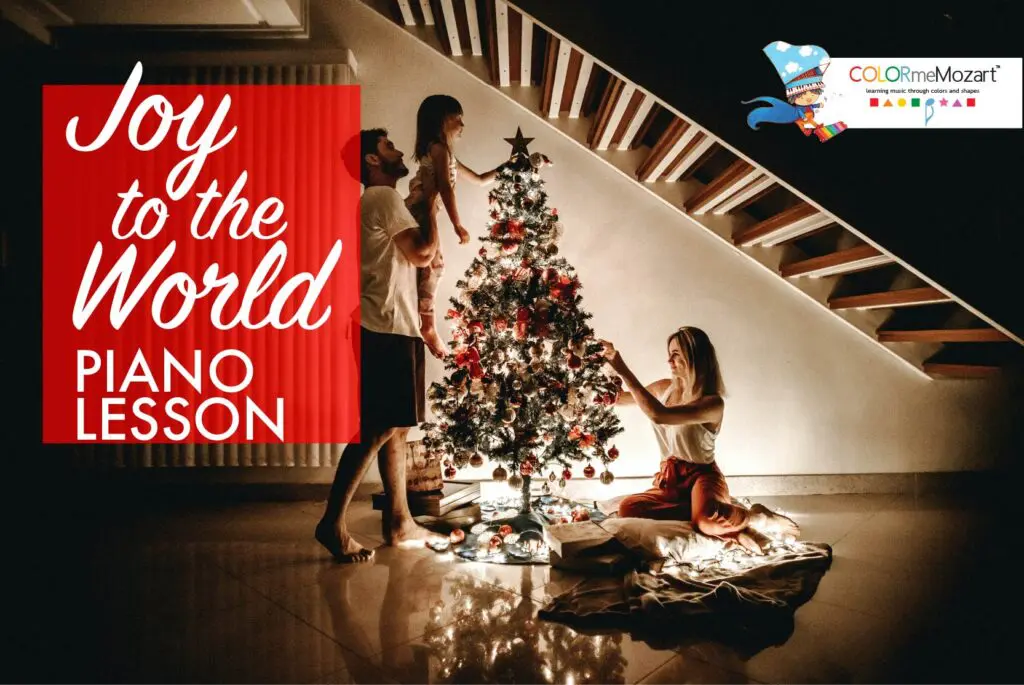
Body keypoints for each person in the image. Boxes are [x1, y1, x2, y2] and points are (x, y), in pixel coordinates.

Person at [316, 128, 446, 563]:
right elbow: (424, 253)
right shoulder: (381, 198)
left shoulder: (380, 203)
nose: (395, 151)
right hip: (385, 324)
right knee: (377, 425)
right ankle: (332, 523)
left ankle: (399, 520)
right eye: (387, 146)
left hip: (393, 323)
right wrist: (431, 200)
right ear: (373, 160)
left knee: (395, 424)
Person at [599, 327, 800, 555]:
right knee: (628, 507)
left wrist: (622, 367)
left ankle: (754, 517)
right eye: (669, 353)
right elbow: (620, 399)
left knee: (705, 522)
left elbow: (659, 414)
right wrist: (594, 376)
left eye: (676, 354)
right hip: (671, 477)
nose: (669, 359)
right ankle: (720, 517)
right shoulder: (664, 387)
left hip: (702, 476)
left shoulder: (712, 404)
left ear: (694, 357)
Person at [405, 94, 505, 359]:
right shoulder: (438, 149)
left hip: (425, 212)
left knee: (431, 267)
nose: (462, 125)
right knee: (433, 265)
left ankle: (424, 322)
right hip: (420, 212)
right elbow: (445, 188)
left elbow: (481, 179)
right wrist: (457, 225)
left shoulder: (446, 154)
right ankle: (426, 325)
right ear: (441, 121)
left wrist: (508, 166)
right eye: (457, 118)